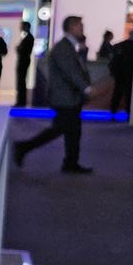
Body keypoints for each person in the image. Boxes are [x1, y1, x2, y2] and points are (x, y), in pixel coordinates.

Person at [13, 15, 93, 173]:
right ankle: (24, 147)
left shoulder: (70, 47)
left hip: (69, 97)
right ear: (71, 27)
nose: (82, 28)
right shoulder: (63, 48)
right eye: (79, 25)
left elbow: (76, 70)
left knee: (72, 130)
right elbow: (71, 72)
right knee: (62, 128)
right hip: (64, 97)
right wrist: (87, 88)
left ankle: (70, 162)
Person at [109, 28, 133, 116]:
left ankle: (113, 111)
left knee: (117, 92)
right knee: (129, 94)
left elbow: (114, 60)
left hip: (119, 74)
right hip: (130, 74)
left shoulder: (119, 45)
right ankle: (129, 113)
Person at [14, 20, 34, 107]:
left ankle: (21, 101)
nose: (20, 28)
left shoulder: (28, 38)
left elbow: (23, 50)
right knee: (21, 81)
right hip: (24, 61)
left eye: (22, 26)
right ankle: (21, 101)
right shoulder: (28, 37)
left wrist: (18, 48)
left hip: (23, 61)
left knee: (21, 82)